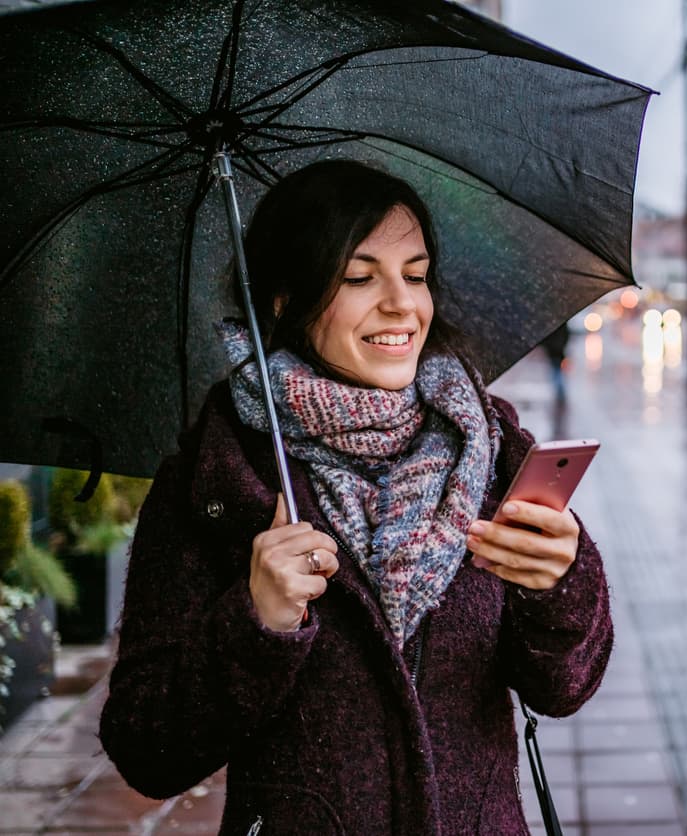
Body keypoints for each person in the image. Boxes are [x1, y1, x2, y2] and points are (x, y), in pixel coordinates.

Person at [99, 160, 612, 834]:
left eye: (417, 274)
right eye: (360, 277)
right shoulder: (221, 479)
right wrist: (256, 621)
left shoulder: (489, 450)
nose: (402, 304)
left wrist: (560, 586)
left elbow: (565, 687)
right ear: (286, 297)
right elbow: (147, 750)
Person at [539, 320, 571, 403]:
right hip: (559, 351)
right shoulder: (562, 324)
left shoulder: (549, 325)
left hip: (555, 352)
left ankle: (560, 392)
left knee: (556, 372)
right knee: (557, 371)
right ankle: (560, 392)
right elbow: (567, 336)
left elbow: (546, 339)